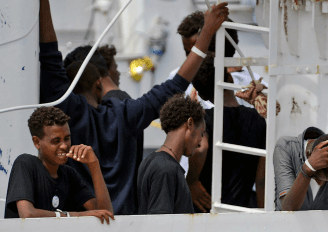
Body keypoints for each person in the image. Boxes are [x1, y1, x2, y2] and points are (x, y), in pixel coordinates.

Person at [38, 0, 229, 215]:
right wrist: (207, 32)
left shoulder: (67, 115)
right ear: (99, 83)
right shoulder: (128, 114)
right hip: (127, 229)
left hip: (82, 226)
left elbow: (49, 56)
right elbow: (177, 84)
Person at [4, 106, 114, 223]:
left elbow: (105, 213)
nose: (64, 146)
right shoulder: (25, 163)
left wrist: (94, 165)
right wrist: (78, 215)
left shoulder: (70, 174)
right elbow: (27, 214)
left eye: (67, 138)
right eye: (56, 141)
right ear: (37, 142)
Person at [189, 58, 266, 211]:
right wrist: (262, 211)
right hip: (241, 209)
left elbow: (201, 148)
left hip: (207, 207)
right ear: (229, 79)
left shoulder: (205, 118)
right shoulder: (257, 119)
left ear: (202, 96)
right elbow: (261, 179)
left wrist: (191, 182)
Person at [137, 94, 205, 215]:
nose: (200, 143)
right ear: (190, 123)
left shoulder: (151, 160)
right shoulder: (166, 169)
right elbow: (161, 225)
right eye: (201, 133)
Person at [273, 127, 328, 211]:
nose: (321, 184)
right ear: (309, 155)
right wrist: (307, 169)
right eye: (316, 178)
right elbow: (288, 209)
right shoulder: (286, 147)